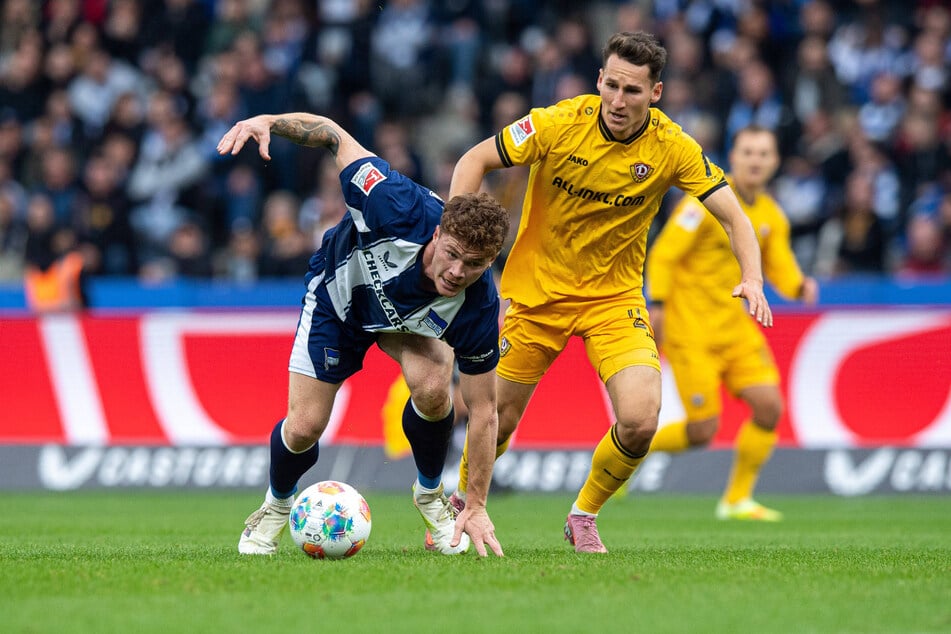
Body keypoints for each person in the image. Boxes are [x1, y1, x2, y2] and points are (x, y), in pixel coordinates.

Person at [446, 31, 773, 553]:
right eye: (612, 86)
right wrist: (455, 237)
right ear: (599, 80)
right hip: (536, 296)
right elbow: (472, 161)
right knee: (496, 420)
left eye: (634, 91)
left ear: (656, 93)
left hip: (613, 301)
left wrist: (752, 278)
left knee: (642, 420)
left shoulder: (672, 147)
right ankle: (462, 506)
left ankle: (584, 515)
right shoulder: (555, 123)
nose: (619, 102)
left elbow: (734, 215)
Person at [216, 112, 508, 557]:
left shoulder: (480, 305)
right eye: (451, 254)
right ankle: (276, 504)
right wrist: (270, 121)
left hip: (406, 324)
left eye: (473, 266)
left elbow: (485, 411)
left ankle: (430, 495)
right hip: (340, 299)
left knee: (434, 390)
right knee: (304, 427)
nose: (456, 272)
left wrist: (478, 503)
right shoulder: (394, 203)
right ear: (437, 231)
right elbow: (334, 135)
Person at [646, 125, 819, 521]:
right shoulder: (703, 201)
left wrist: (799, 286)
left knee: (769, 407)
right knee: (703, 429)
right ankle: (634, 448)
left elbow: (777, 264)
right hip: (691, 332)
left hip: (736, 330)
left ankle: (737, 500)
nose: (755, 160)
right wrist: (657, 305)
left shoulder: (771, 215)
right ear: (734, 156)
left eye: (763, 154)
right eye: (747, 152)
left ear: (774, 162)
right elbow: (664, 255)